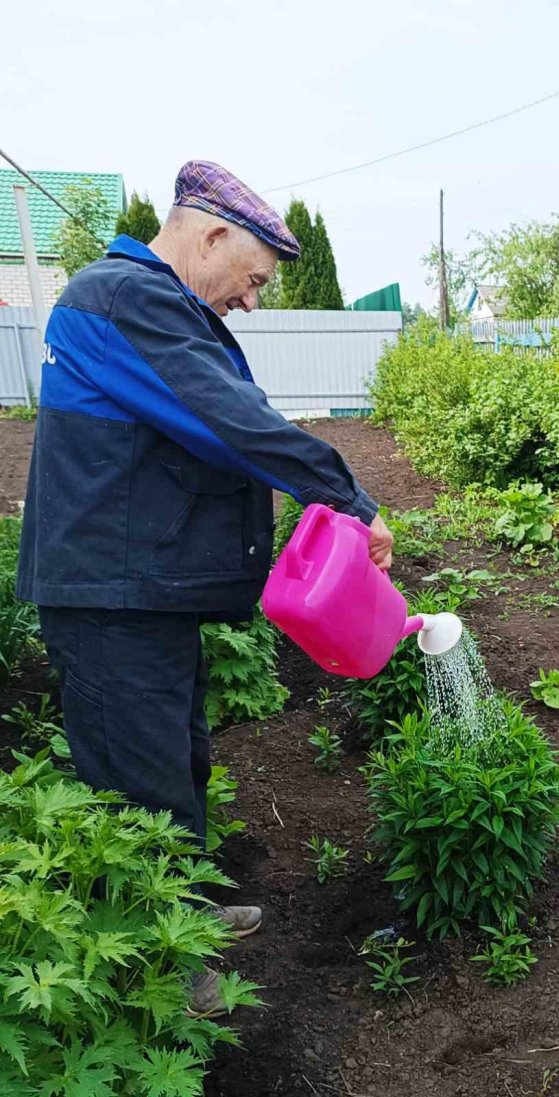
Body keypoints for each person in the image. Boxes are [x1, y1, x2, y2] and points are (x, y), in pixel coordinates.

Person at [17, 159, 393, 1016]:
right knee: (136, 781)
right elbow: (229, 419)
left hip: (145, 589)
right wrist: (343, 494)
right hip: (107, 595)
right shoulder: (120, 297)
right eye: (253, 278)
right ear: (212, 233)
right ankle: (160, 974)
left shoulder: (150, 305)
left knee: (175, 761)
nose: (253, 299)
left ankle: (183, 913)